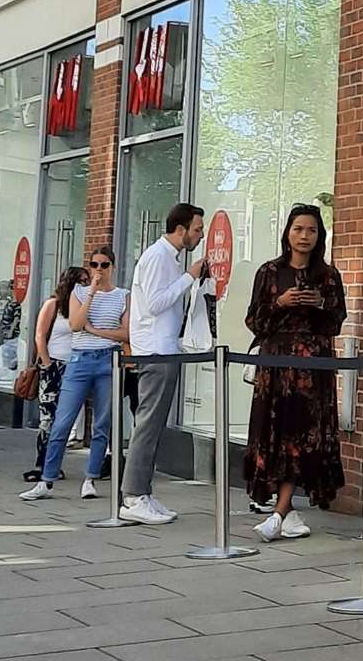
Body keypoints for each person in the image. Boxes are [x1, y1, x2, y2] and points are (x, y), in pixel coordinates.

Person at [244, 203, 346, 542]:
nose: (304, 236)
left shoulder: (328, 276)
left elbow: (336, 323)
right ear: (288, 232)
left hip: (313, 368)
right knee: (277, 433)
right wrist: (280, 303)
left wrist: (319, 304)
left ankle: (280, 512)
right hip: (276, 365)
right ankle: (286, 512)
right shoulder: (270, 272)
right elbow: (254, 321)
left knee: (302, 438)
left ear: (320, 236)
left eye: (312, 230)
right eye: (299, 229)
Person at [122, 202, 220, 525]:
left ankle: (142, 492)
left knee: (153, 424)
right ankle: (134, 495)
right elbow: (153, 304)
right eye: (197, 229)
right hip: (154, 351)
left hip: (164, 349)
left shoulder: (168, 258)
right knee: (147, 424)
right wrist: (189, 279)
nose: (200, 235)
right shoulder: (158, 257)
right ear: (180, 229)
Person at [21, 244, 128, 502]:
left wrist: (97, 332)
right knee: (62, 422)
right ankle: (47, 479)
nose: (99, 270)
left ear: (113, 267)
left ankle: (90, 478)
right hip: (79, 360)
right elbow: (76, 324)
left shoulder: (123, 295)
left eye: (104, 265)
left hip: (108, 359)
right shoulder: (79, 292)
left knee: (101, 423)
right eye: (94, 265)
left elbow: (126, 334)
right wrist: (91, 291)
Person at [23, 266, 86, 484]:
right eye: (81, 281)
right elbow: (40, 335)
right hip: (55, 364)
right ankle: (43, 463)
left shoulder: (83, 306)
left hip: (77, 364)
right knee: (48, 418)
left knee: (65, 419)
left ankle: (55, 463)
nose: (84, 286)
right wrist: (48, 365)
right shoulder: (54, 305)